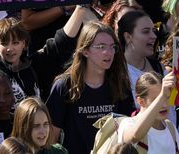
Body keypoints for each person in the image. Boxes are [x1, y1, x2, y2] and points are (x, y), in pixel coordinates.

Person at [44, 21, 135, 154]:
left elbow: (128, 129)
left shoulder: (120, 84)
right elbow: (52, 137)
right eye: (101, 46)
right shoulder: (64, 86)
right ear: (85, 51)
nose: (108, 52)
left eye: (112, 47)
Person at [119, 72, 179, 152]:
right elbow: (135, 136)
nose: (164, 105)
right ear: (140, 101)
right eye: (157, 99)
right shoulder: (128, 124)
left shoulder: (170, 126)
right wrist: (162, 95)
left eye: (167, 97)